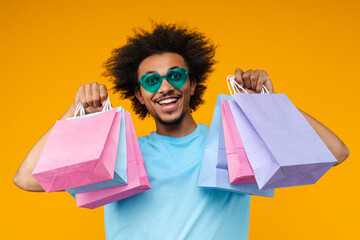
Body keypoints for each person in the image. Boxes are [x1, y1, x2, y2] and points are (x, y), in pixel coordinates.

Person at [13, 23, 349, 239]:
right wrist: (75, 114)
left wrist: (269, 105)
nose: (164, 87)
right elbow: (26, 179)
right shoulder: (115, 152)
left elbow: (335, 152)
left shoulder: (235, 143)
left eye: (175, 76)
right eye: (151, 80)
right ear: (140, 96)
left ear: (192, 85)